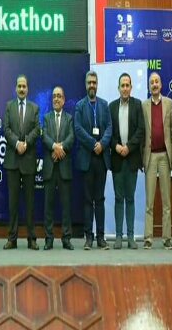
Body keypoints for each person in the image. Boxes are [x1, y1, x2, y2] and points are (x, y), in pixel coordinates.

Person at [74, 70, 112, 250]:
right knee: (88, 200)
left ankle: (101, 238)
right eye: (89, 82)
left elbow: (109, 128)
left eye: (94, 82)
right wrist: (93, 144)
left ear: (97, 85)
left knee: (100, 199)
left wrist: (102, 144)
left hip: (101, 158)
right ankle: (88, 237)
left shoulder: (104, 105)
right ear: (85, 84)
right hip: (87, 158)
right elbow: (78, 129)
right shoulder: (80, 106)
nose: (92, 85)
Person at [3, 74, 41, 250]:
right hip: (12, 160)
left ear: (28, 89)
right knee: (12, 203)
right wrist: (16, 143)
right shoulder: (9, 106)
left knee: (30, 203)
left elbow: (37, 129)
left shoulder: (34, 108)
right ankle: (12, 239)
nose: (21, 89)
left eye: (24, 86)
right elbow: (6, 129)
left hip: (28, 160)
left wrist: (25, 143)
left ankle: (31, 238)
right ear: (15, 88)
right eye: (19, 86)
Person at [142, 72, 172, 250]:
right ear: (149, 87)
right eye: (152, 82)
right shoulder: (144, 105)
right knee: (149, 202)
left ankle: (166, 239)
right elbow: (142, 134)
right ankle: (148, 238)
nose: (154, 84)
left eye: (157, 82)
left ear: (161, 85)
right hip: (150, 157)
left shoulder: (169, 103)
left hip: (164, 156)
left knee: (166, 202)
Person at [109, 73, 144, 250]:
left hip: (131, 159)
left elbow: (140, 130)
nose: (124, 88)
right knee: (118, 198)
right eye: (122, 85)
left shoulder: (137, 105)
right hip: (117, 158)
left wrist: (128, 147)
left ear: (131, 87)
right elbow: (109, 132)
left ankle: (130, 237)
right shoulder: (111, 107)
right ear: (118, 88)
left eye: (127, 85)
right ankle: (118, 236)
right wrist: (116, 146)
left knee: (130, 198)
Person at [42, 86, 74, 251]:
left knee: (66, 206)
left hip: (64, 168)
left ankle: (66, 239)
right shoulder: (46, 117)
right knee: (48, 206)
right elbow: (44, 136)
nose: (56, 98)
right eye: (54, 96)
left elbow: (71, 137)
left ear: (63, 99)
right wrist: (55, 147)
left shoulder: (69, 118)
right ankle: (48, 239)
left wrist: (60, 148)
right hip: (50, 168)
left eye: (59, 96)